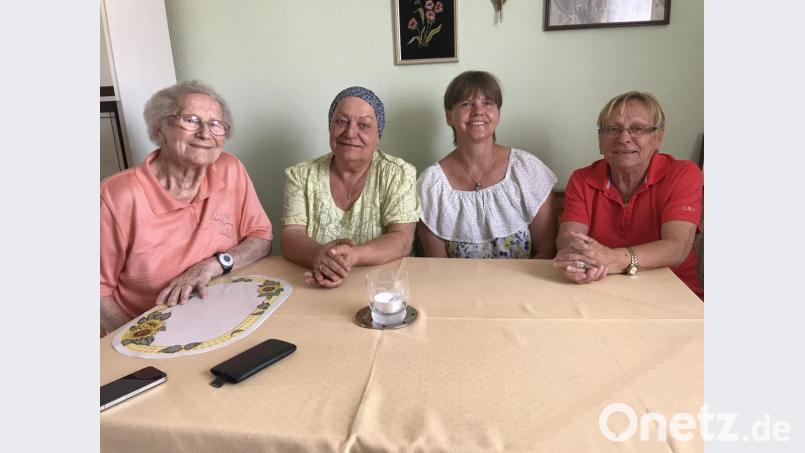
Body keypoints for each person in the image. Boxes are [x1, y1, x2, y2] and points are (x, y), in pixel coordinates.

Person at [100, 80, 273, 333]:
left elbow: (261, 237)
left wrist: (213, 265)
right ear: (160, 128)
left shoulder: (230, 169)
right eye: (190, 120)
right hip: (147, 330)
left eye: (216, 125)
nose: (205, 134)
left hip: (224, 317)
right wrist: (137, 341)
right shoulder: (117, 196)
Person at [554, 91, 703, 299]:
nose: (624, 138)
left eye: (638, 129)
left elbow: (676, 248)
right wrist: (579, 262)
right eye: (613, 129)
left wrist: (613, 258)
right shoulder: (582, 179)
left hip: (672, 295)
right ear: (600, 140)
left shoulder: (683, 174)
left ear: (658, 137)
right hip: (599, 291)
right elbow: (568, 239)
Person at [280, 86, 419, 288]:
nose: (350, 132)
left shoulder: (397, 174)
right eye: (341, 121)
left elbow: (402, 239)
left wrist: (352, 256)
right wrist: (317, 256)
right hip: (312, 285)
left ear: (378, 136)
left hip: (382, 288)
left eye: (363, 125)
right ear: (330, 127)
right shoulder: (301, 175)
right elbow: (290, 235)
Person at [417, 71, 558, 258]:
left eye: (487, 103)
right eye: (466, 104)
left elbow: (547, 252)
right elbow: (437, 266)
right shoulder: (431, 185)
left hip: (525, 285)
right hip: (456, 287)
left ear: (498, 113)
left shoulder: (527, 170)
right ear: (449, 116)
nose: (478, 111)